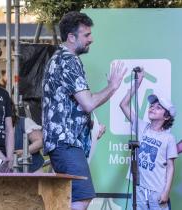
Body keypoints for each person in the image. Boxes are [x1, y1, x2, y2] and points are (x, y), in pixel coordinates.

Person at [42, 11, 126, 210]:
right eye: (86, 35)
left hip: (65, 143)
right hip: (65, 143)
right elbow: (87, 103)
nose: (91, 39)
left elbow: (71, 105)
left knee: (73, 197)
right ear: (71, 37)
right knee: (81, 197)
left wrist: (93, 126)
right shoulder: (68, 60)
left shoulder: (61, 59)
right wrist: (113, 86)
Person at [120, 71, 178, 210]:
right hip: (139, 188)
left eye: (158, 108)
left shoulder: (168, 138)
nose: (152, 108)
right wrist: (136, 85)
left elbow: (170, 167)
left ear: (167, 117)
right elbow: (123, 105)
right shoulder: (141, 127)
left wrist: (166, 192)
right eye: (152, 105)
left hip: (157, 191)